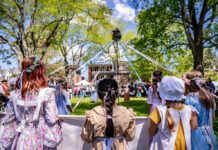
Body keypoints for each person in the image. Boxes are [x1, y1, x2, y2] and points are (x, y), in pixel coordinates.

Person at [0, 56, 62, 149]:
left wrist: (5, 142)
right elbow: (52, 118)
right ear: (40, 72)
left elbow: (9, 121)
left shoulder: (15, 95)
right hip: (40, 138)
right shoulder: (46, 93)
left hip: (21, 137)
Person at [81, 78, 136, 150]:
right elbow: (130, 137)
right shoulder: (126, 113)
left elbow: (86, 138)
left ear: (98, 95)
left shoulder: (93, 114)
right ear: (117, 94)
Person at [149, 76, 198, 150]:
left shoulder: (159, 110)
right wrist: (194, 116)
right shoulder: (188, 110)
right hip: (182, 146)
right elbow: (194, 127)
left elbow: (151, 133)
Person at [184, 70, 217, 150]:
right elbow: (212, 117)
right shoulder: (209, 97)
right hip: (209, 132)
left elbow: (192, 124)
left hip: (195, 136)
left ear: (189, 83)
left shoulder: (190, 99)